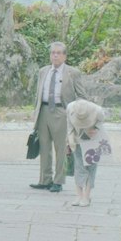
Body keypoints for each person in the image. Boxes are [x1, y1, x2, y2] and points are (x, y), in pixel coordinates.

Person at [30, 41, 84, 193]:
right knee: (44, 147)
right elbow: (38, 93)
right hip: (44, 111)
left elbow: (82, 95)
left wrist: (75, 113)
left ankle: (58, 181)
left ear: (64, 56)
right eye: (53, 52)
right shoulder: (43, 71)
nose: (55, 55)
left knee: (61, 148)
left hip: (61, 112)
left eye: (58, 53)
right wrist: (35, 110)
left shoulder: (72, 73)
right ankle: (45, 180)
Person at [66, 98, 111, 207]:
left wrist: (93, 128)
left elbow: (101, 122)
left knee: (91, 167)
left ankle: (86, 195)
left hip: (93, 138)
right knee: (78, 165)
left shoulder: (98, 110)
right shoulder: (70, 107)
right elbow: (69, 126)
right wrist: (68, 142)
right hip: (76, 137)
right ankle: (79, 195)